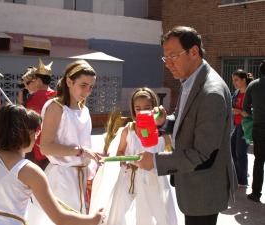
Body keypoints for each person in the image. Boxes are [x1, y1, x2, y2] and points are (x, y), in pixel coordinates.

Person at [137, 26, 238, 225]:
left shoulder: (211, 93)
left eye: (173, 56)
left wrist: (156, 161)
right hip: (193, 184)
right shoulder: (190, 80)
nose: (169, 64)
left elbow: (203, 154)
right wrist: (165, 122)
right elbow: (186, 122)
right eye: (166, 59)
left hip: (204, 189)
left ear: (193, 52)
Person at [0, 104, 104, 225]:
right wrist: (94, 219)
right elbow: (60, 219)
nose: (38, 135)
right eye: (37, 131)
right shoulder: (30, 171)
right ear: (23, 133)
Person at [100, 87, 178, 225]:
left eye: (147, 107)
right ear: (133, 109)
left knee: (155, 212)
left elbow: (169, 152)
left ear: (154, 107)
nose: (142, 111)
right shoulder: (128, 129)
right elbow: (120, 151)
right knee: (121, 211)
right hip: (130, 177)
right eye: (138, 108)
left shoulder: (162, 131)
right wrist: (123, 161)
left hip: (153, 177)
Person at [37, 59, 101, 217]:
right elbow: (45, 147)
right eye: (83, 85)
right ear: (69, 81)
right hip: (61, 179)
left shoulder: (84, 109)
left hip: (81, 177)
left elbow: (82, 146)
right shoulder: (56, 107)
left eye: (91, 87)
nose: (87, 91)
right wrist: (81, 151)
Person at [23, 60, 56, 170]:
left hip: (36, 143)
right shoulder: (57, 97)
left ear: (39, 80)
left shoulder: (33, 98)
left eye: (36, 79)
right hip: (55, 142)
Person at [242, 60, 265, 203]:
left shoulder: (254, 85)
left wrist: (254, 113)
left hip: (259, 126)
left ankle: (256, 193)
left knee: (259, 160)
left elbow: (245, 107)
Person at [231, 69, 254, 187]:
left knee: (241, 153)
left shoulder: (251, 93)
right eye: (233, 80)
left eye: (236, 80)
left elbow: (256, 110)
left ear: (244, 80)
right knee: (232, 148)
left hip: (246, 126)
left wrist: (244, 112)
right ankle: (238, 174)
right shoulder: (236, 93)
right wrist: (233, 110)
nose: (234, 83)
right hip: (237, 125)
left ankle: (243, 180)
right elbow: (231, 106)